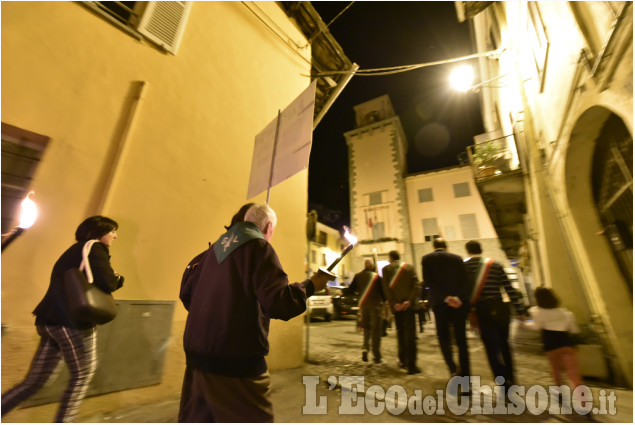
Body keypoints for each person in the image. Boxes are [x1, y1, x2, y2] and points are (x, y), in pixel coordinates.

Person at [178, 203, 331, 422]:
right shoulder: (259, 248)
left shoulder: (211, 251)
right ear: (268, 227)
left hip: (197, 357)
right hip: (236, 361)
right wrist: (312, 285)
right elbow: (280, 303)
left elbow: (187, 294)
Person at [2, 216, 124, 422]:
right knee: (83, 373)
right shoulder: (94, 247)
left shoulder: (75, 250)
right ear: (100, 232)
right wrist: (119, 278)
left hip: (49, 320)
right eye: (112, 231)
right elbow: (107, 281)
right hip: (72, 322)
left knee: (36, 381)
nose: (115, 235)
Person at [464, 240, 525, 387]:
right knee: (505, 343)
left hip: (481, 310)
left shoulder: (464, 267)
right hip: (500, 308)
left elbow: (464, 291)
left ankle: (501, 378)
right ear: (482, 249)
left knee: (490, 346)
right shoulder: (496, 265)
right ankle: (511, 375)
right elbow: (509, 288)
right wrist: (520, 310)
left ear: (468, 251)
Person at [421, 238, 471, 380]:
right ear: (446, 246)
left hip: (439, 304)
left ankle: (453, 369)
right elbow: (465, 281)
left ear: (434, 246)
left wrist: (445, 298)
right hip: (457, 304)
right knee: (461, 341)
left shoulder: (427, 259)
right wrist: (457, 298)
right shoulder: (457, 258)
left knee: (444, 338)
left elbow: (428, 282)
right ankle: (466, 377)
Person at [525, 287, 584, 391]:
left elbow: (535, 326)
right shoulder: (566, 313)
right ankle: (583, 400)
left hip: (551, 345)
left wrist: (524, 323)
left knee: (556, 371)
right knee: (573, 374)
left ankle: (560, 393)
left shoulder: (538, 312)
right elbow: (574, 330)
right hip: (567, 344)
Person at [381, 250, 421, 374]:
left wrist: (394, 303)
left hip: (397, 307)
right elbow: (416, 285)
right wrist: (408, 301)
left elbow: (386, 289)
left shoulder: (386, 269)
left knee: (401, 334)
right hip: (409, 307)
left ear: (390, 258)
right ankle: (412, 366)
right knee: (411, 335)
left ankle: (402, 361)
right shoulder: (409, 267)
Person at [349, 259, 384, 364]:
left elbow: (351, 289)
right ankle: (376, 355)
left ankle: (365, 349)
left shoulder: (358, 276)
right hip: (375, 307)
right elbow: (383, 292)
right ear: (371, 266)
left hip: (363, 306)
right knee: (376, 331)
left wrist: (358, 294)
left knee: (366, 330)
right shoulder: (377, 277)